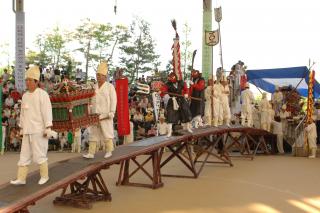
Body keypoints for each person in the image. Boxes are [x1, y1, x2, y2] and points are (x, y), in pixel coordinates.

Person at [10, 65, 56, 185]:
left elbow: (47, 112)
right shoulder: (24, 96)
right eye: (26, 80)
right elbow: (23, 115)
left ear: (36, 82)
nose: (27, 82)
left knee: (40, 154)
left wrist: (48, 128)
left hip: (39, 131)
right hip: (27, 131)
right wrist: (22, 129)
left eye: (30, 80)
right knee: (24, 155)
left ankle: (45, 176)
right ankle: (21, 178)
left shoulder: (43, 94)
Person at [83, 62, 117, 159]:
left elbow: (114, 100)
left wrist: (112, 111)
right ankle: (91, 153)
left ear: (105, 76)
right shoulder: (94, 87)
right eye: (97, 75)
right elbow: (90, 100)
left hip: (106, 113)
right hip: (95, 114)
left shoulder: (110, 87)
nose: (98, 77)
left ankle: (109, 150)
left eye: (100, 75)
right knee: (93, 133)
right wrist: (89, 112)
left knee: (107, 132)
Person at [160, 72, 192, 137]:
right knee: (170, 115)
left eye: (172, 77)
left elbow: (186, 89)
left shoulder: (181, 82)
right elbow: (163, 91)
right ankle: (169, 132)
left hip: (181, 99)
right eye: (170, 77)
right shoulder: (167, 84)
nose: (171, 78)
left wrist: (186, 93)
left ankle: (188, 128)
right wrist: (161, 92)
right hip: (172, 100)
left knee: (186, 112)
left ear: (175, 77)